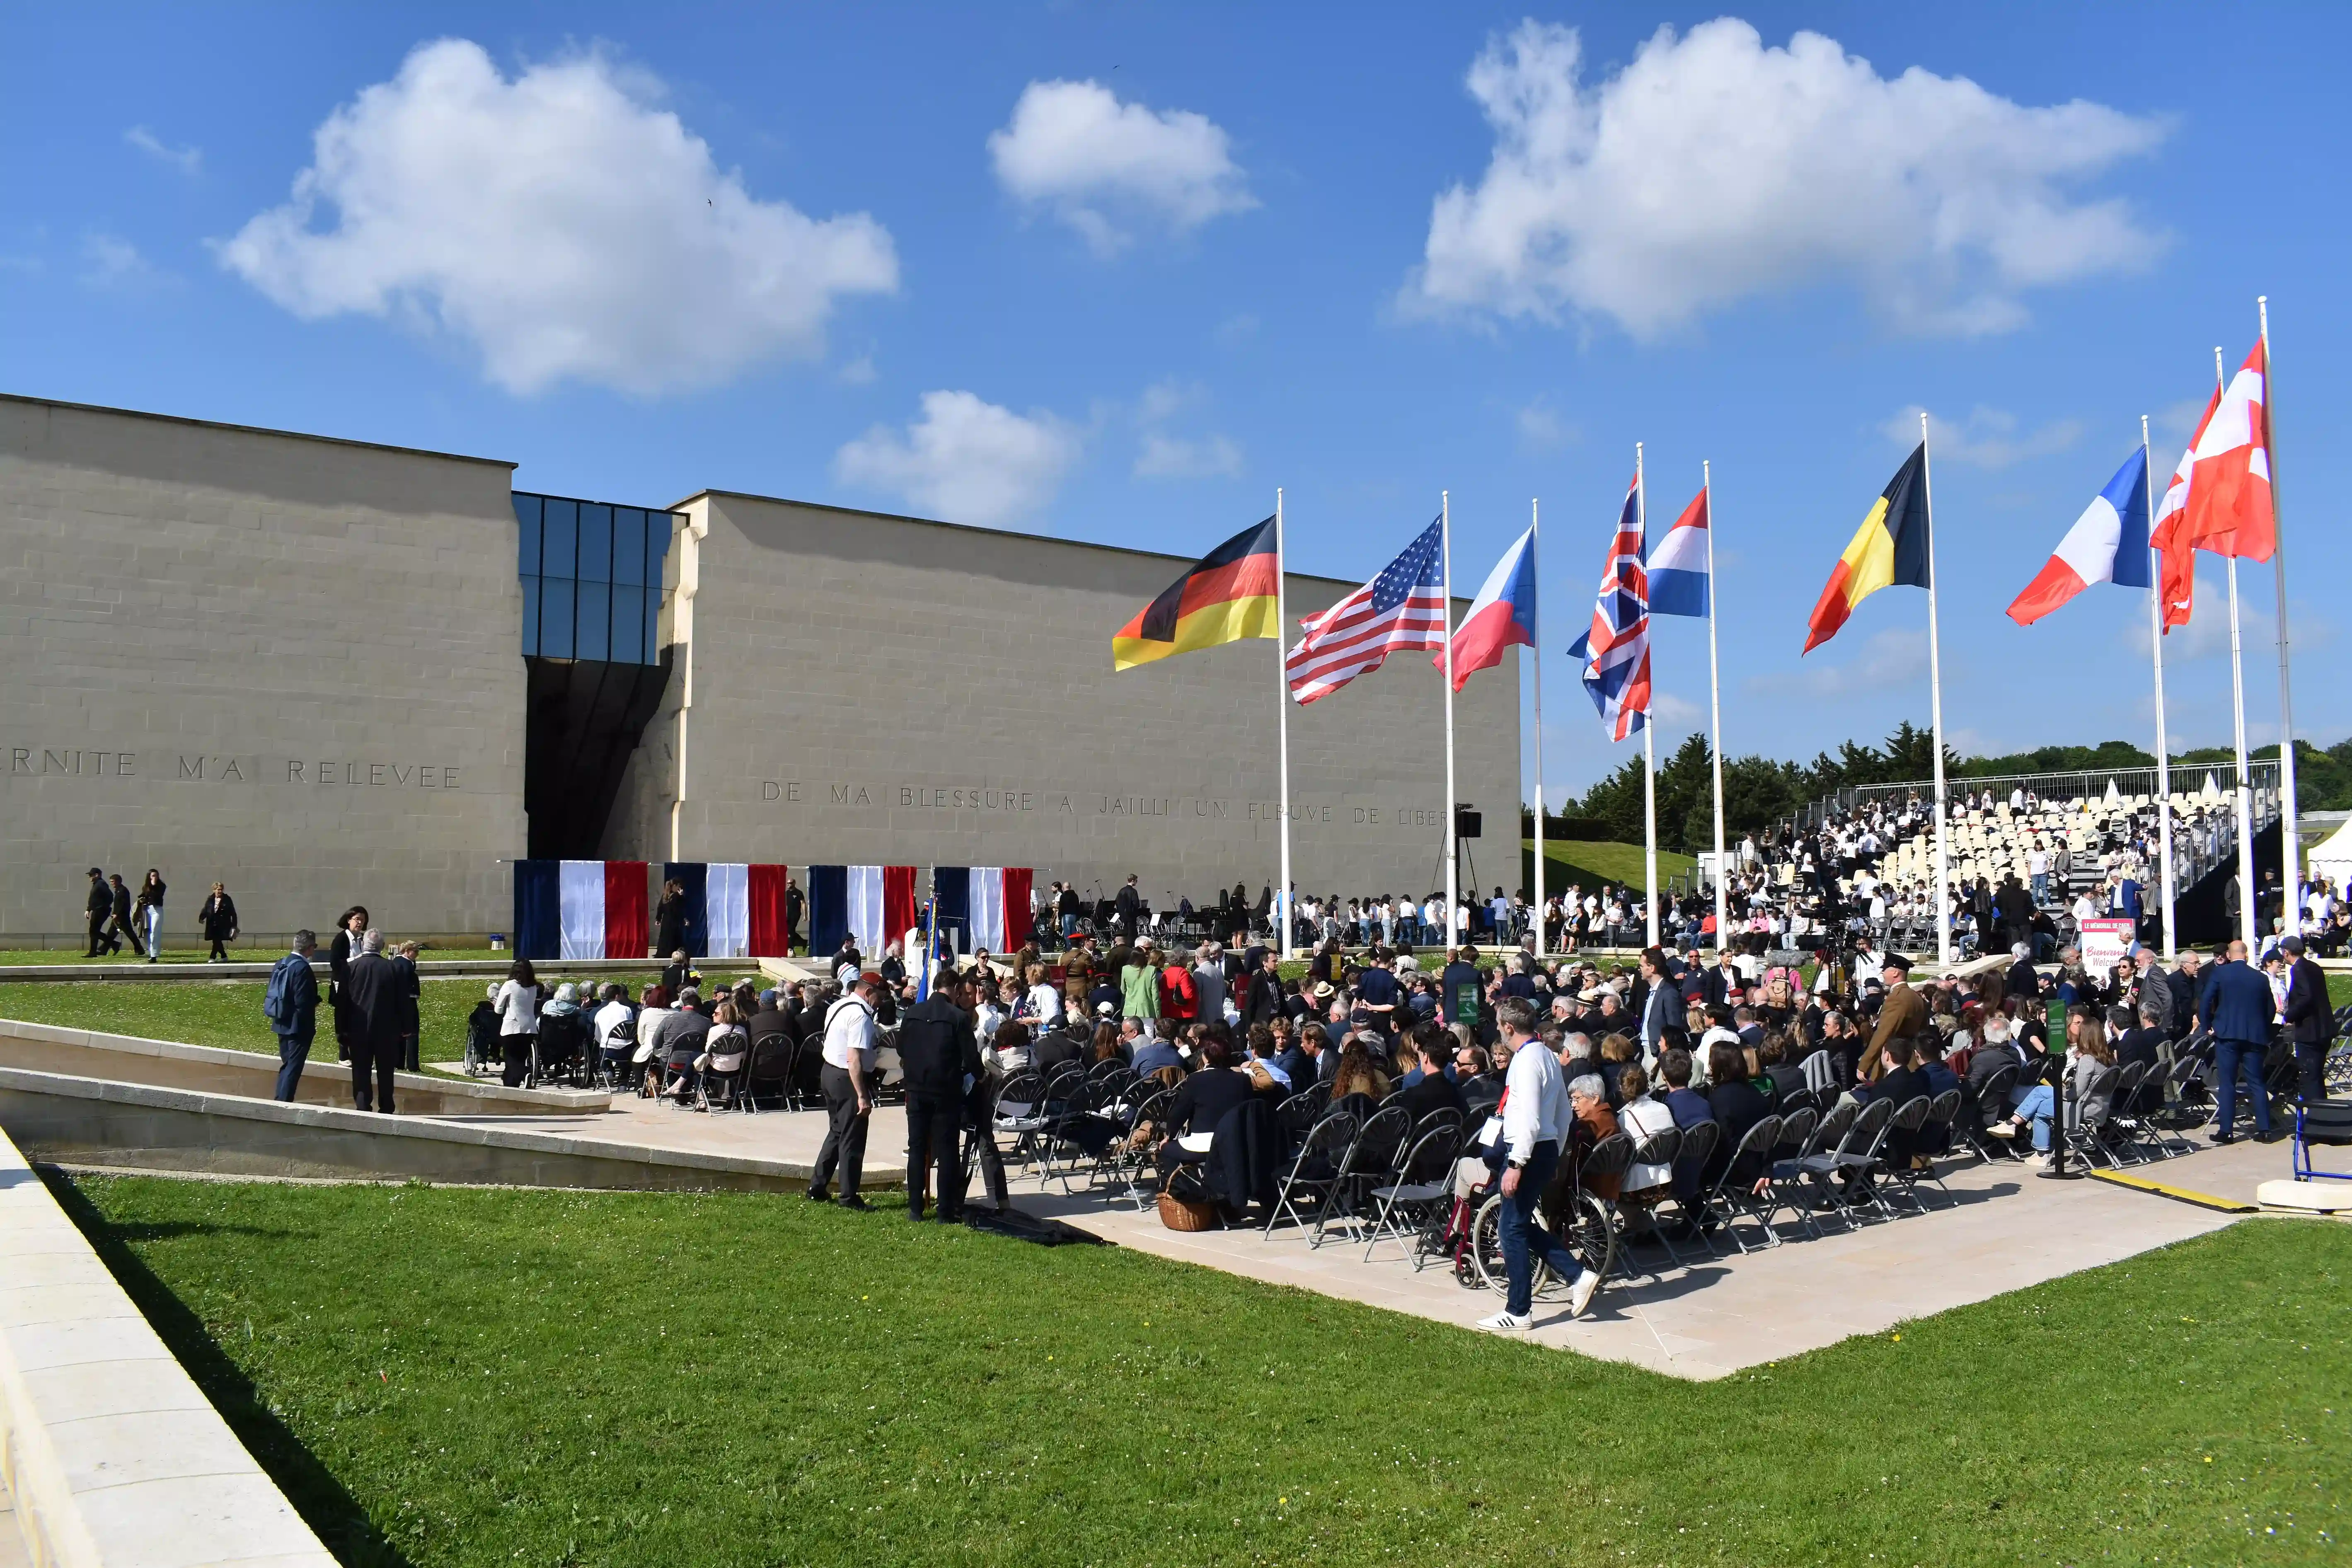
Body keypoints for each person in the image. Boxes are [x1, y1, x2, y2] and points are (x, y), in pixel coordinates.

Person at [1476, 997, 1600, 1331]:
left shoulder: (1528, 1060)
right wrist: (1553, 1149)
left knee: (1511, 1230)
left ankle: (1519, 1310)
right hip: (1541, 1148)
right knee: (1516, 1226)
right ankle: (1576, 1275)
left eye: (1500, 1026)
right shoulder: (1545, 1054)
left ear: (1508, 1028)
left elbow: (1530, 1117)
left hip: (1527, 1150)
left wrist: (1517, 1163)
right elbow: (1562, 1112)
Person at [2199, 939, 2279, 1144]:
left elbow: (2206, 1000)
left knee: (2227, 1083)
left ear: (2228, 955)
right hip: (2254, 1036)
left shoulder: (2220, 973)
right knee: (2257, 1083)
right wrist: (2263, 1026)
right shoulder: (2260, 978)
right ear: (2247, 956)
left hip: (2227, 1034)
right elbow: (2270, 1008)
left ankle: (2226, 1131)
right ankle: (2265, 1129)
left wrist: (2207, 1025)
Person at [809, 975, 879, 1207]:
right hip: (847, 1078)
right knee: (852, 1137)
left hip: (829, 1072)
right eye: (880, 995)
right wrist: (862, 1095)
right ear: (868, 992)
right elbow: (854, 1058)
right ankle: (849, 1196)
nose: (881, 1001)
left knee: (837, 1132)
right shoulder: (861, 1015)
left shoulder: (839, 1005)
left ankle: (818, 1186)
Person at [341, 929, 404, 1114]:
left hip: (358, 1029)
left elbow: (343, 1002)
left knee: (361, 1071)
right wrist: (406, 1027)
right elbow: (402, 1001)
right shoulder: (394, 968)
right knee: (386, 1072)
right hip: (387, 1030)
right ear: (383, 947)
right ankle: (386, 1106)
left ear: (364, 945)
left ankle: (362, 1105)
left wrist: (341, 1030)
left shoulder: (351, 968)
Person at [262, 929, 320, 1101]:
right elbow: (302, 1002)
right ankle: (283, 1103)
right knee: (293, 1068)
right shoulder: (303, 968)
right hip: (298, 1027)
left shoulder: (282, 962)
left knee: (287, 1065)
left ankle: (280, 1098)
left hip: (281, 1020)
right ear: (309, 948)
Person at [2278, 934, 2334, 1103]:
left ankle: (2316, 1114)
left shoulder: (2299, 969)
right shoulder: (2314, 966)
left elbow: (2307, 997)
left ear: (2287, 952)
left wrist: (2289, 1016)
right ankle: (2322, 1110)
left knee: (2310, 1074)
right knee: (2316, 1074)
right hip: (2324, 1028)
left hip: (2311, 1031)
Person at [492, 958, 541, 1090]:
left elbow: (498, 1009)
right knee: (520, 1058)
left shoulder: (509, 985)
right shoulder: (534, 987)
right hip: (529, 1027)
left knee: (510, 1059)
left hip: (512, 1026)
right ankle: (511, 1083)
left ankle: (525, 1073)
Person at [328, 906, 369, 1063]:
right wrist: (356, 961)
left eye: (363, 920)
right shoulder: (341, 939)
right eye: (357, 919)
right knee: (343, 1021)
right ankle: (344, 1056)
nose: (360, 923)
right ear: (349, 920)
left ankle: (359, 1054)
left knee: (358, 1021)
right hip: (343, 986)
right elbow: (335, 964)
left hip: (358, 986)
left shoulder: (363, 939)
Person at [392, 940, 423, 1071]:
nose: (417, 954)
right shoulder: (404, 964)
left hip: (398, 1002)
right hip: (407, 1001)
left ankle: (398, 1063)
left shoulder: (399, 962)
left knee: (400, 1033)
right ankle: (413, 1065)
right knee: (412, 1032)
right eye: (415, 952)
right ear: (407, 951)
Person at [198, 881, 239, 962]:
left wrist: (234, 926)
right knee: (217, 941)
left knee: (217, 940)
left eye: (221, 889)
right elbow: (206, 909)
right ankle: (224, 956)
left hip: (223, 925)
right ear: (214, 890)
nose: (220, 891)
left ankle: (212, 957)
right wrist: (201, 918)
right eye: (218, 889)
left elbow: (233, 913)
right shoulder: (210, 900)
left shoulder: (227, 900)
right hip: (212, 924)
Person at [133, 869, 166, 963]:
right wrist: (143, 899)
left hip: (157, 910)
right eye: (153, 876)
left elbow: (157, 896)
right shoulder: (146, 887)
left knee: (155, 932)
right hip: (147, 910)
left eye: (156, 875)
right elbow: (143, 896)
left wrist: (154, 884)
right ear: (149, 876)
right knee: (147, 933)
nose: (154, 877)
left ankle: (154, 956)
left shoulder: (161, 886)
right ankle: (152, 952)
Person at [654, 877, 688, 959]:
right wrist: (682, 896)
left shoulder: (665, 896)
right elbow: (681, 908)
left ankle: (663, 956)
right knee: (674, 941)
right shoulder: (676, 896)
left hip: (666, 922)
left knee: (665, 940)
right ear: (675, 886)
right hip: (674, 923)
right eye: (679, 886)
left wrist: (658, 919)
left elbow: (660, 908)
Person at [107, 872, 140, 957]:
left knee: (114, 933)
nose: (112, 883)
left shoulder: (122, 891)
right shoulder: (119, 890)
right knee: (116, 933)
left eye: (113, 881)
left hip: (122, 918)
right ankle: (139, 949)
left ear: (118, 881)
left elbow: (122, 904)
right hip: (120, 917)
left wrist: (116, 914)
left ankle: (104, 949)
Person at [83, 868, 113, 957]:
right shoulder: (97, 884)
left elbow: (110, 896)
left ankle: (93, 952)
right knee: (94, 931)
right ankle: (113, 944)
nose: (90, 877)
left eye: (91, 875)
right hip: (98, 910)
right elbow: (94, 900)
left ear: (97, 875)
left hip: (100, 910)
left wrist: (103, 906)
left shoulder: (101, 884)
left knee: (93, 931)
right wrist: (89, 909)